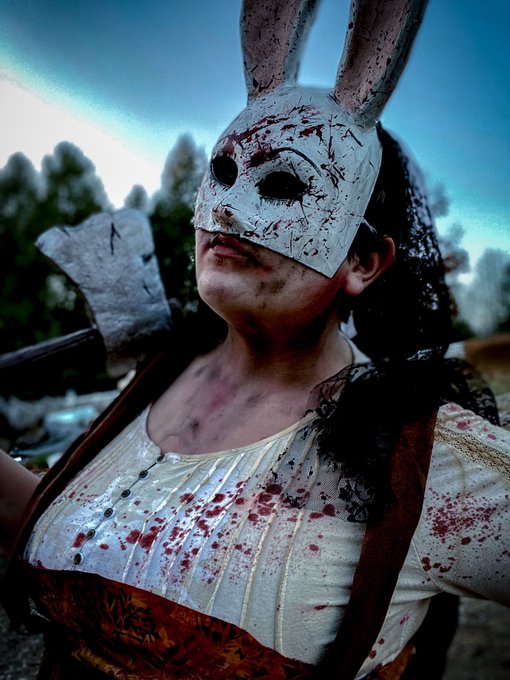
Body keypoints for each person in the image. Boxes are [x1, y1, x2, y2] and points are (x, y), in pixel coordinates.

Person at [1, 1, 509, 678]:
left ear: (363, 262)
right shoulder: (151, 380)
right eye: (222, 173)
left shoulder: (423, 455)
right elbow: (67, 537)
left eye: (283, 184)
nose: (229, 209)